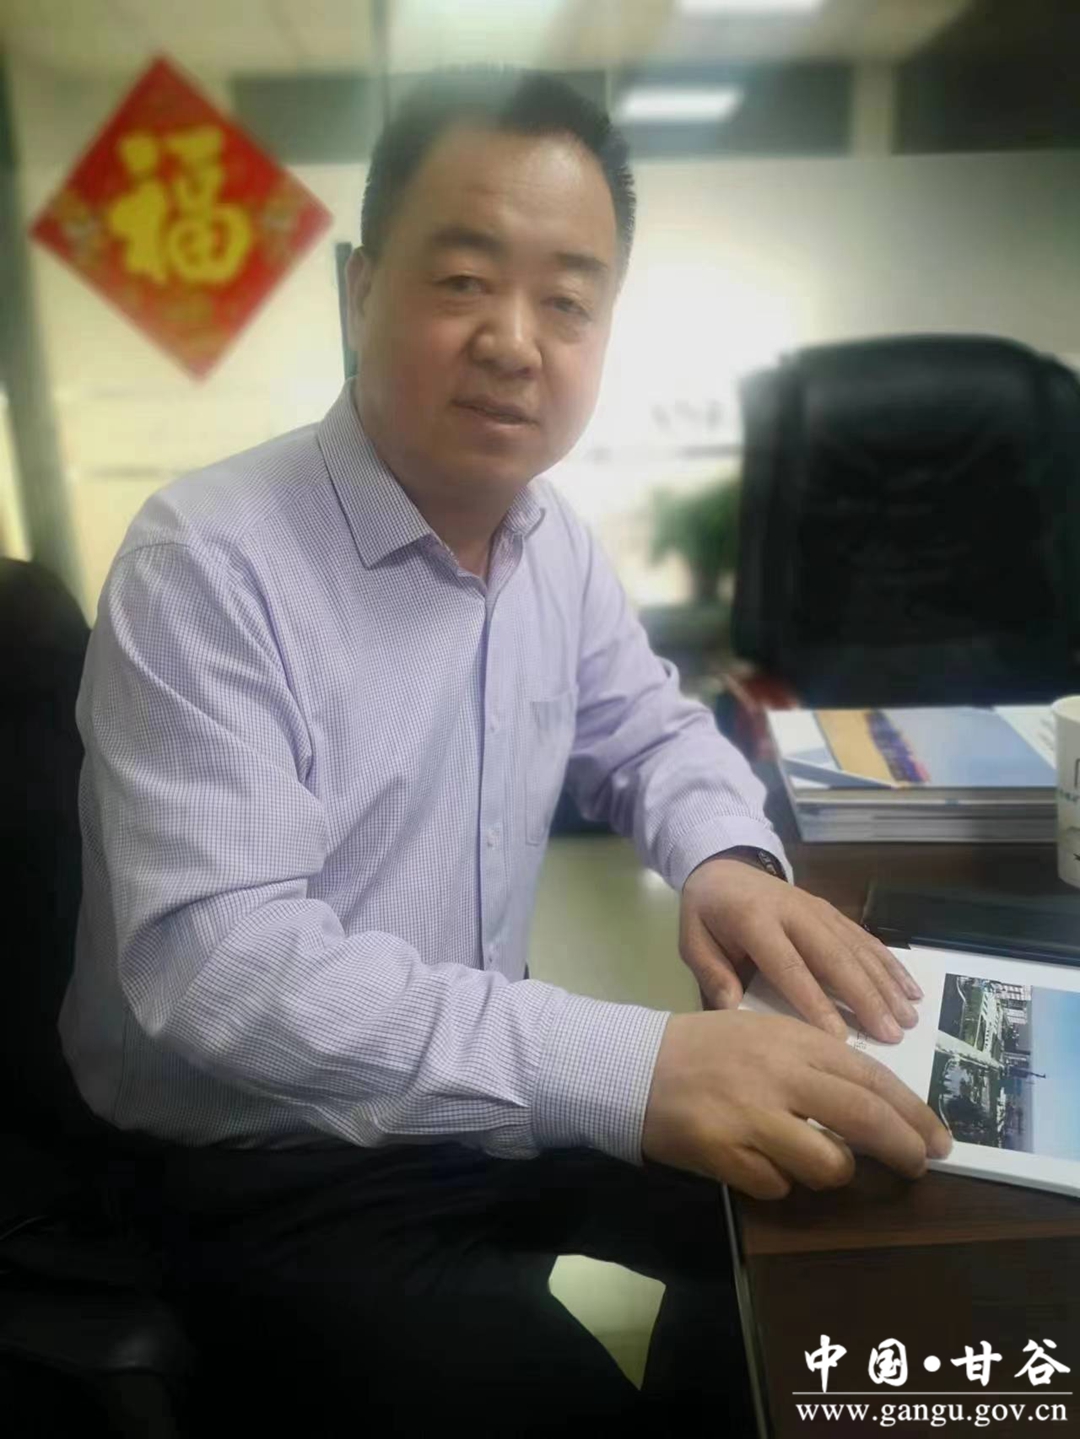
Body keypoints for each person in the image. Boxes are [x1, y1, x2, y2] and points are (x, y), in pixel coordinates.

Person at [61, 68, 950, 1435]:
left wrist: (724, 856)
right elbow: (215, 971)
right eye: (465, 280)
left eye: (568, 302)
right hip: (266, 1156)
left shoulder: (551, 542)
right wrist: (632, 1065)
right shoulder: (209, 561)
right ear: (360, 289)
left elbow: (649, 729)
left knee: (840, 1202)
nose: (515, 343)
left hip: (477, 1095)